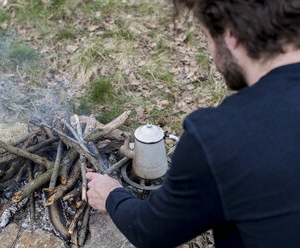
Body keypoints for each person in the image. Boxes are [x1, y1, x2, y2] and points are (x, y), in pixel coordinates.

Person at [86, 1, 300, 247]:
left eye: (207, 38)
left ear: (231, 34)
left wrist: (112, 195)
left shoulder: (220, 136)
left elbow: (151, 232)